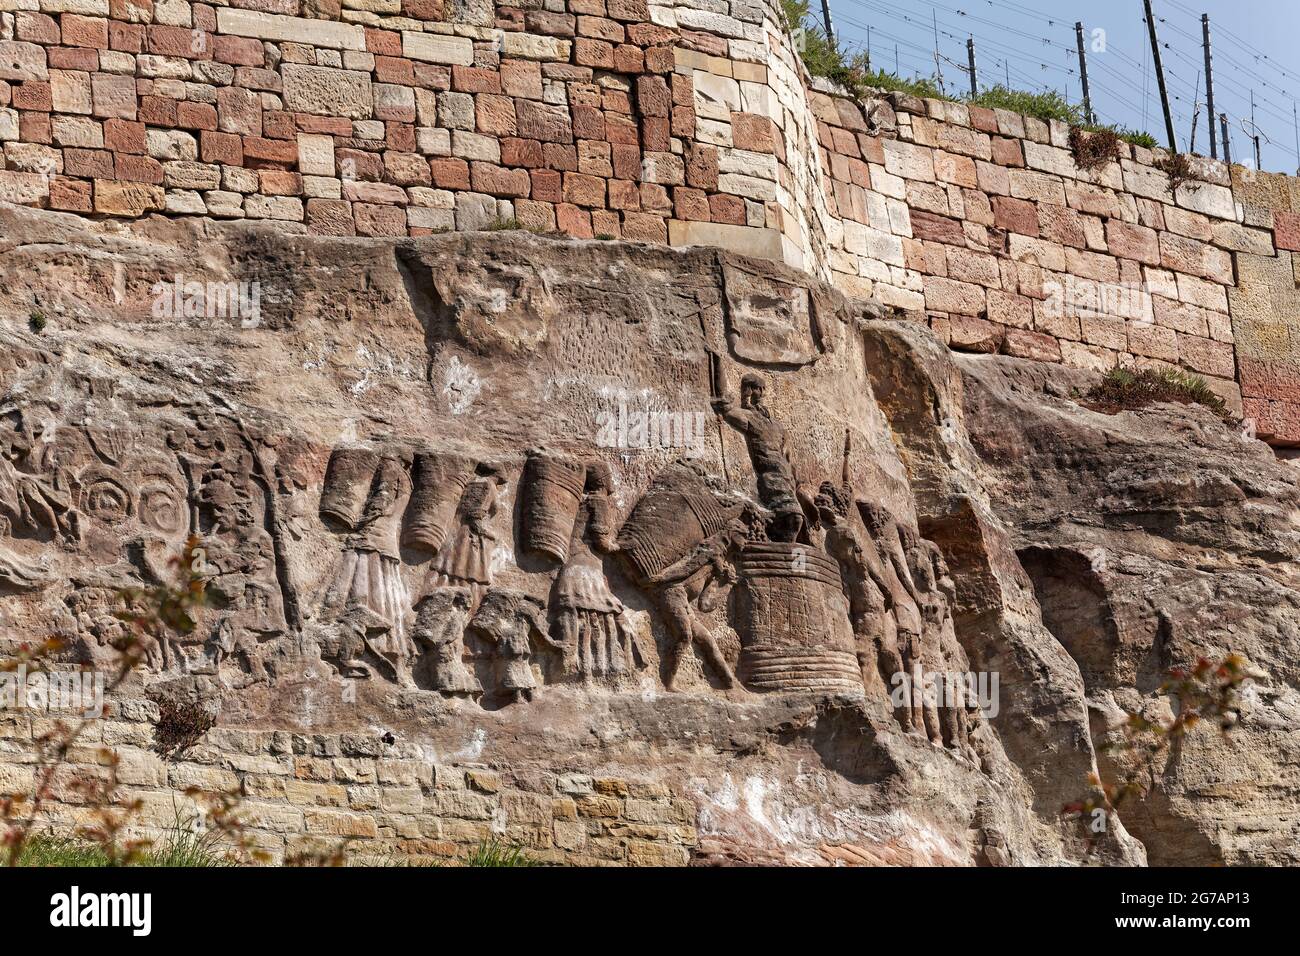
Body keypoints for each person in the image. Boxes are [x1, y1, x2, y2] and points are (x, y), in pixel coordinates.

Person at [711, 370, 815, 543]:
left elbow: (790, 460)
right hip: (770, 478)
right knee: (793, 518)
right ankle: (783, 557)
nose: (760, 393)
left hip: (786, 479)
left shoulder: (778, 426)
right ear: (748, 391)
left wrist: (801, 492)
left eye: (761, 389)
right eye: (756, 389)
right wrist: (717, 363)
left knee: (798, 525)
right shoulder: (748, 417)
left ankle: (789, 559)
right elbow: (725, 408)